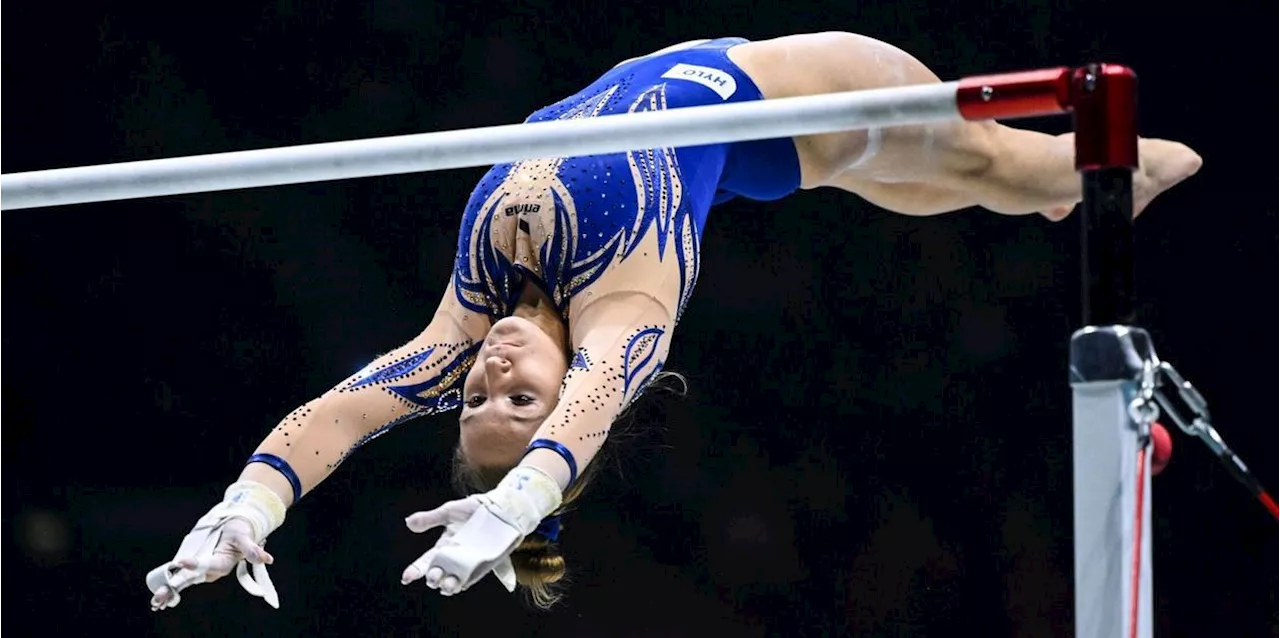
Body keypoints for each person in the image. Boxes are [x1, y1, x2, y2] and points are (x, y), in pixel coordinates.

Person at [145, 32, 1202, 611]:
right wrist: (519, 500)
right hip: (803, 94)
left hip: (760, 149)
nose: (493, 369)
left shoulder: (464, 323)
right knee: (998, 165)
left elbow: (337, 413)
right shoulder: (627, 312)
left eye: (476, 396)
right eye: (521, 399)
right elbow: (593, 400)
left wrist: (246, 506)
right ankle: (1120, 167)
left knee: (980, 179)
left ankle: (1080, 183)